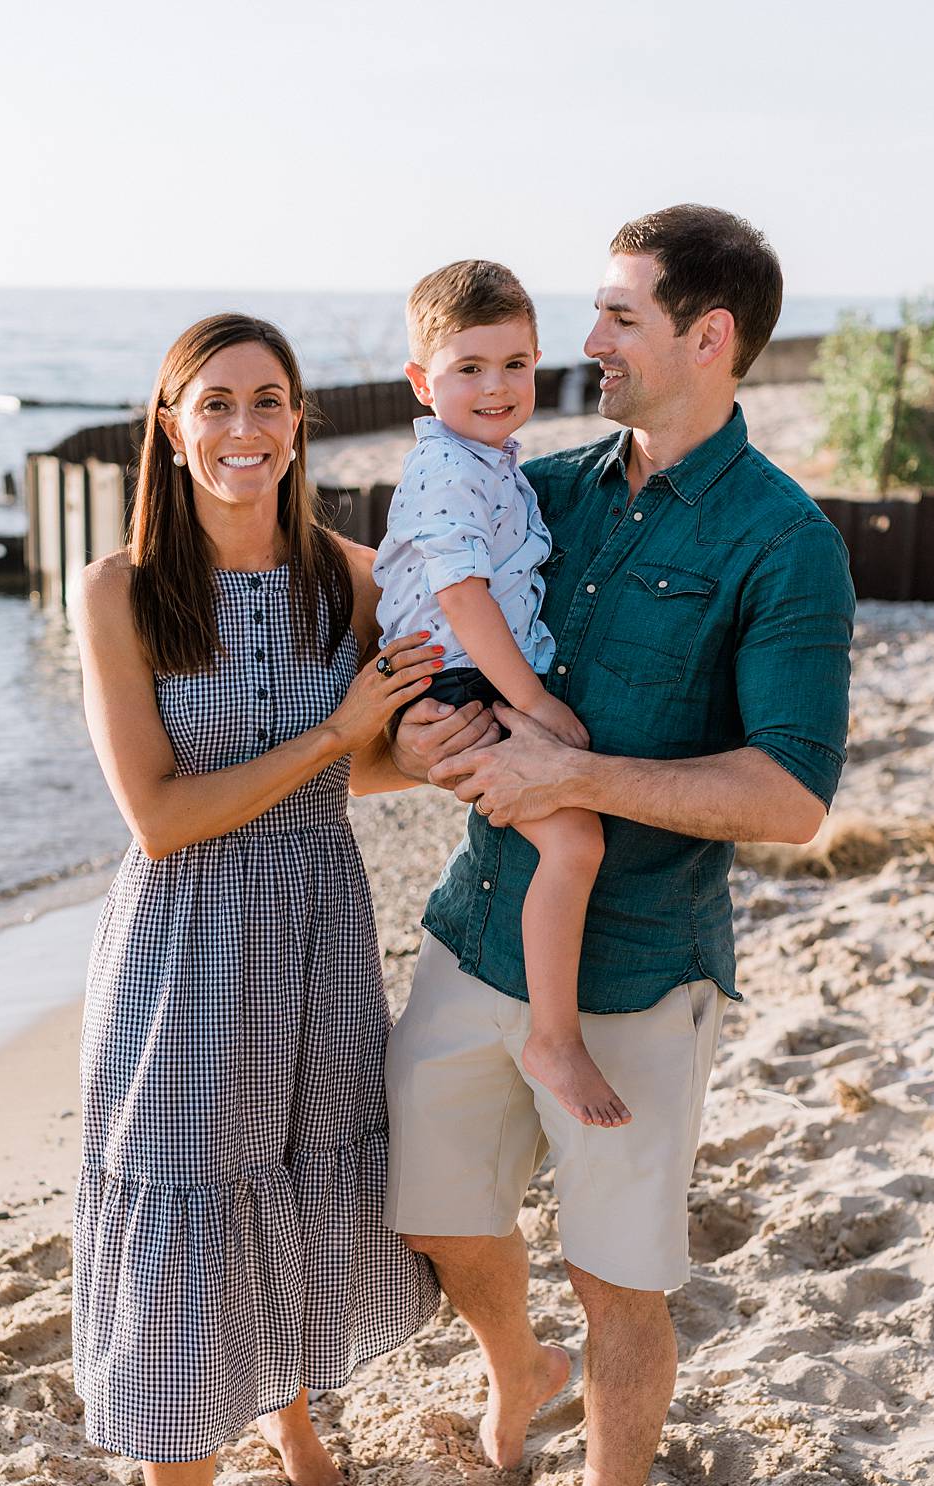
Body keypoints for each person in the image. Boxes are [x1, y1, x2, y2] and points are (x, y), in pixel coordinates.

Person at [386, 206, 857, 1486]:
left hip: (643, 973)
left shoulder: (789, 546)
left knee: (621, 1281)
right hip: (478, 929)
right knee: (432, 1203)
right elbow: (443, 648)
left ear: (708, 340)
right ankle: (515, 1367)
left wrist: (576, 770)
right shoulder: (552, 488)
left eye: (618, 318)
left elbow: (788, 800)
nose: (584, 346)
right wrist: (418, 744)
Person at [70, 313, 469, 1486]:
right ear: (170, 425)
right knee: (188, 1224)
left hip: (317, 928)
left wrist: (456, 757)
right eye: (217, 404)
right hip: (184, 952)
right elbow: (165, 816)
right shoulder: (119, 591)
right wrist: (344, 730)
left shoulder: (347, 579)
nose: (245, 431)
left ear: (300, 425)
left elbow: (363, 766)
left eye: (271, 403)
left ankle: (293, 1415)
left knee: (295, 1187)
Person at [374, 260, 629, 1127]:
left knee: (576, 823)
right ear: (422, 381)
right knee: (575, 842)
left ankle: (550, 1025)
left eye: (515, 364)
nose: (497, 387)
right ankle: (554, 1038)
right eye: (469, 369)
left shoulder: (489, 462)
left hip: (470, 674)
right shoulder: (448, 470)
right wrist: (534, 703)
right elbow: (461, 596)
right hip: (458, 681)